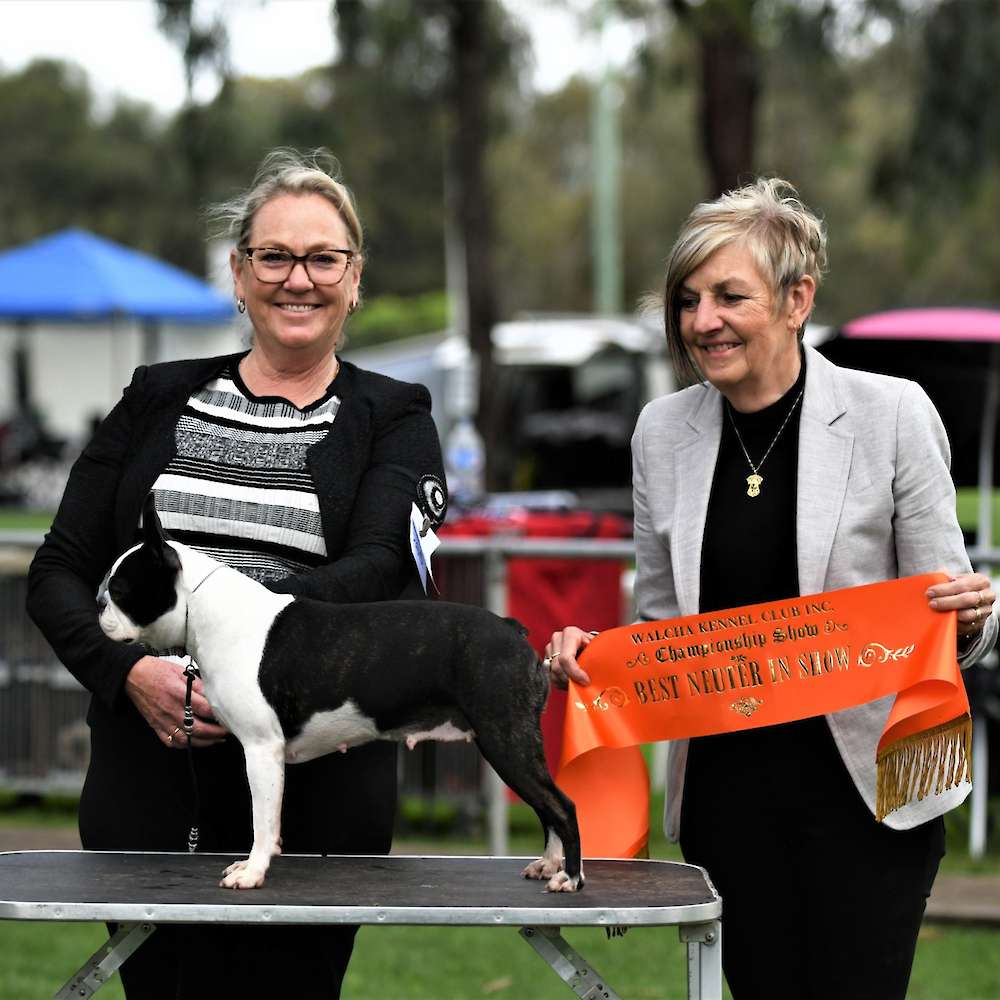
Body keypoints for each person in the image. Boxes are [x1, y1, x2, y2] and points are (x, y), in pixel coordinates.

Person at [544, 177, 997, 999]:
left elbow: (952, 611)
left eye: (729, 296)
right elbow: (659, 626)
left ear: (798, 299)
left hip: (871, 796)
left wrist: (971, 621)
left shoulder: (892, 412)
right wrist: (595, 654)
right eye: (688, 301)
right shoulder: (660, 431)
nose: (702, 322)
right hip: (724, 802)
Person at [27, 148, 448, 999]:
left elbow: (378, 573)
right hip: (148, 785)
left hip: (319, 791)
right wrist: (127, 671)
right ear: (240, 272)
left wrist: (232, 647)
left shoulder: (396, 417)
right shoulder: (154, 397)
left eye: (324, 258)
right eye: (276, 256)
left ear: (355, 278)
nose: (300, 279)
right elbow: (59, 569)